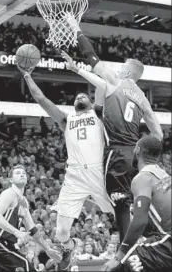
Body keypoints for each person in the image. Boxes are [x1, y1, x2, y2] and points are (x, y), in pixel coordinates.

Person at [61, 16, 163, 241]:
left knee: (119, 203)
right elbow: (158, 132)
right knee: (133, 200)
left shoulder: (117, 82)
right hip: (135, 154)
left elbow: (92, 55)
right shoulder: (142, 98)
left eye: (121, 68)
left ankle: (125, 254)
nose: (117, 70)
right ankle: (152, 240)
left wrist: (74, 27)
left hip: (116, 153)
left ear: (127, 73)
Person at [17, 65, 114, 270]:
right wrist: (27, 76)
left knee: (121, 213)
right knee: (60, 232)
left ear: (90, 101)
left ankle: (137, 247)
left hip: (98, 171)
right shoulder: (66, 119)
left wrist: (92, 68)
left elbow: (103, 87)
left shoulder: (98, 114)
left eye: (83, 96)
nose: (80, 97)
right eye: (76, 97)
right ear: (72, 104)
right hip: (75, 174)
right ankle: (70, 246)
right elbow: (41, 99)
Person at [101, 135, 171, 272]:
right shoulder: (166, 177)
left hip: (167, 242)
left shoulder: (142, 178)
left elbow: (140, 221)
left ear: (137, 151)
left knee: (120, 263)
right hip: (164, 242)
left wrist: (119, 255)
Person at [0, 164, 60, 272]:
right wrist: (17, 232)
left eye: (24, 173)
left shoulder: (24, 202)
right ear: (11, 179)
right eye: (18, 173)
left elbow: (33, 230)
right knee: (25, 266)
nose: (22, 175)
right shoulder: (9, 194)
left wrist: (48, 249)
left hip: (6, 245)